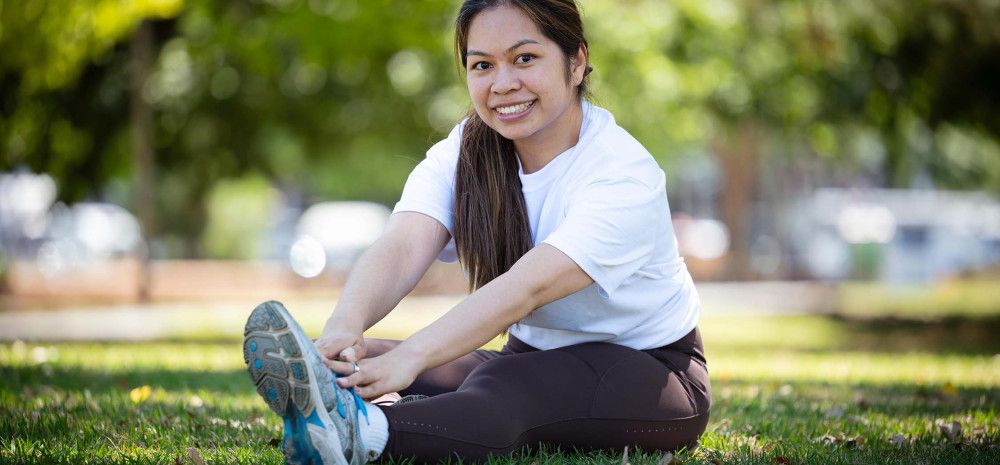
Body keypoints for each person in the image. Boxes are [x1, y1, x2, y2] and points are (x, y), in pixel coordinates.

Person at [241, 1, 711, 464]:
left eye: (525, 58)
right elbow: (404, 243)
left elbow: (529, 287)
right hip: (532, 356)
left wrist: (414, 358)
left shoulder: (621, 173)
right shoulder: (466, 151)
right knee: (366, 361)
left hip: (653, 375)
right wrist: (345, 329)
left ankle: (362, 431)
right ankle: (330, 394)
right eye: (482, 64)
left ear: (577, 62)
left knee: (503, 386)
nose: (504, 83)